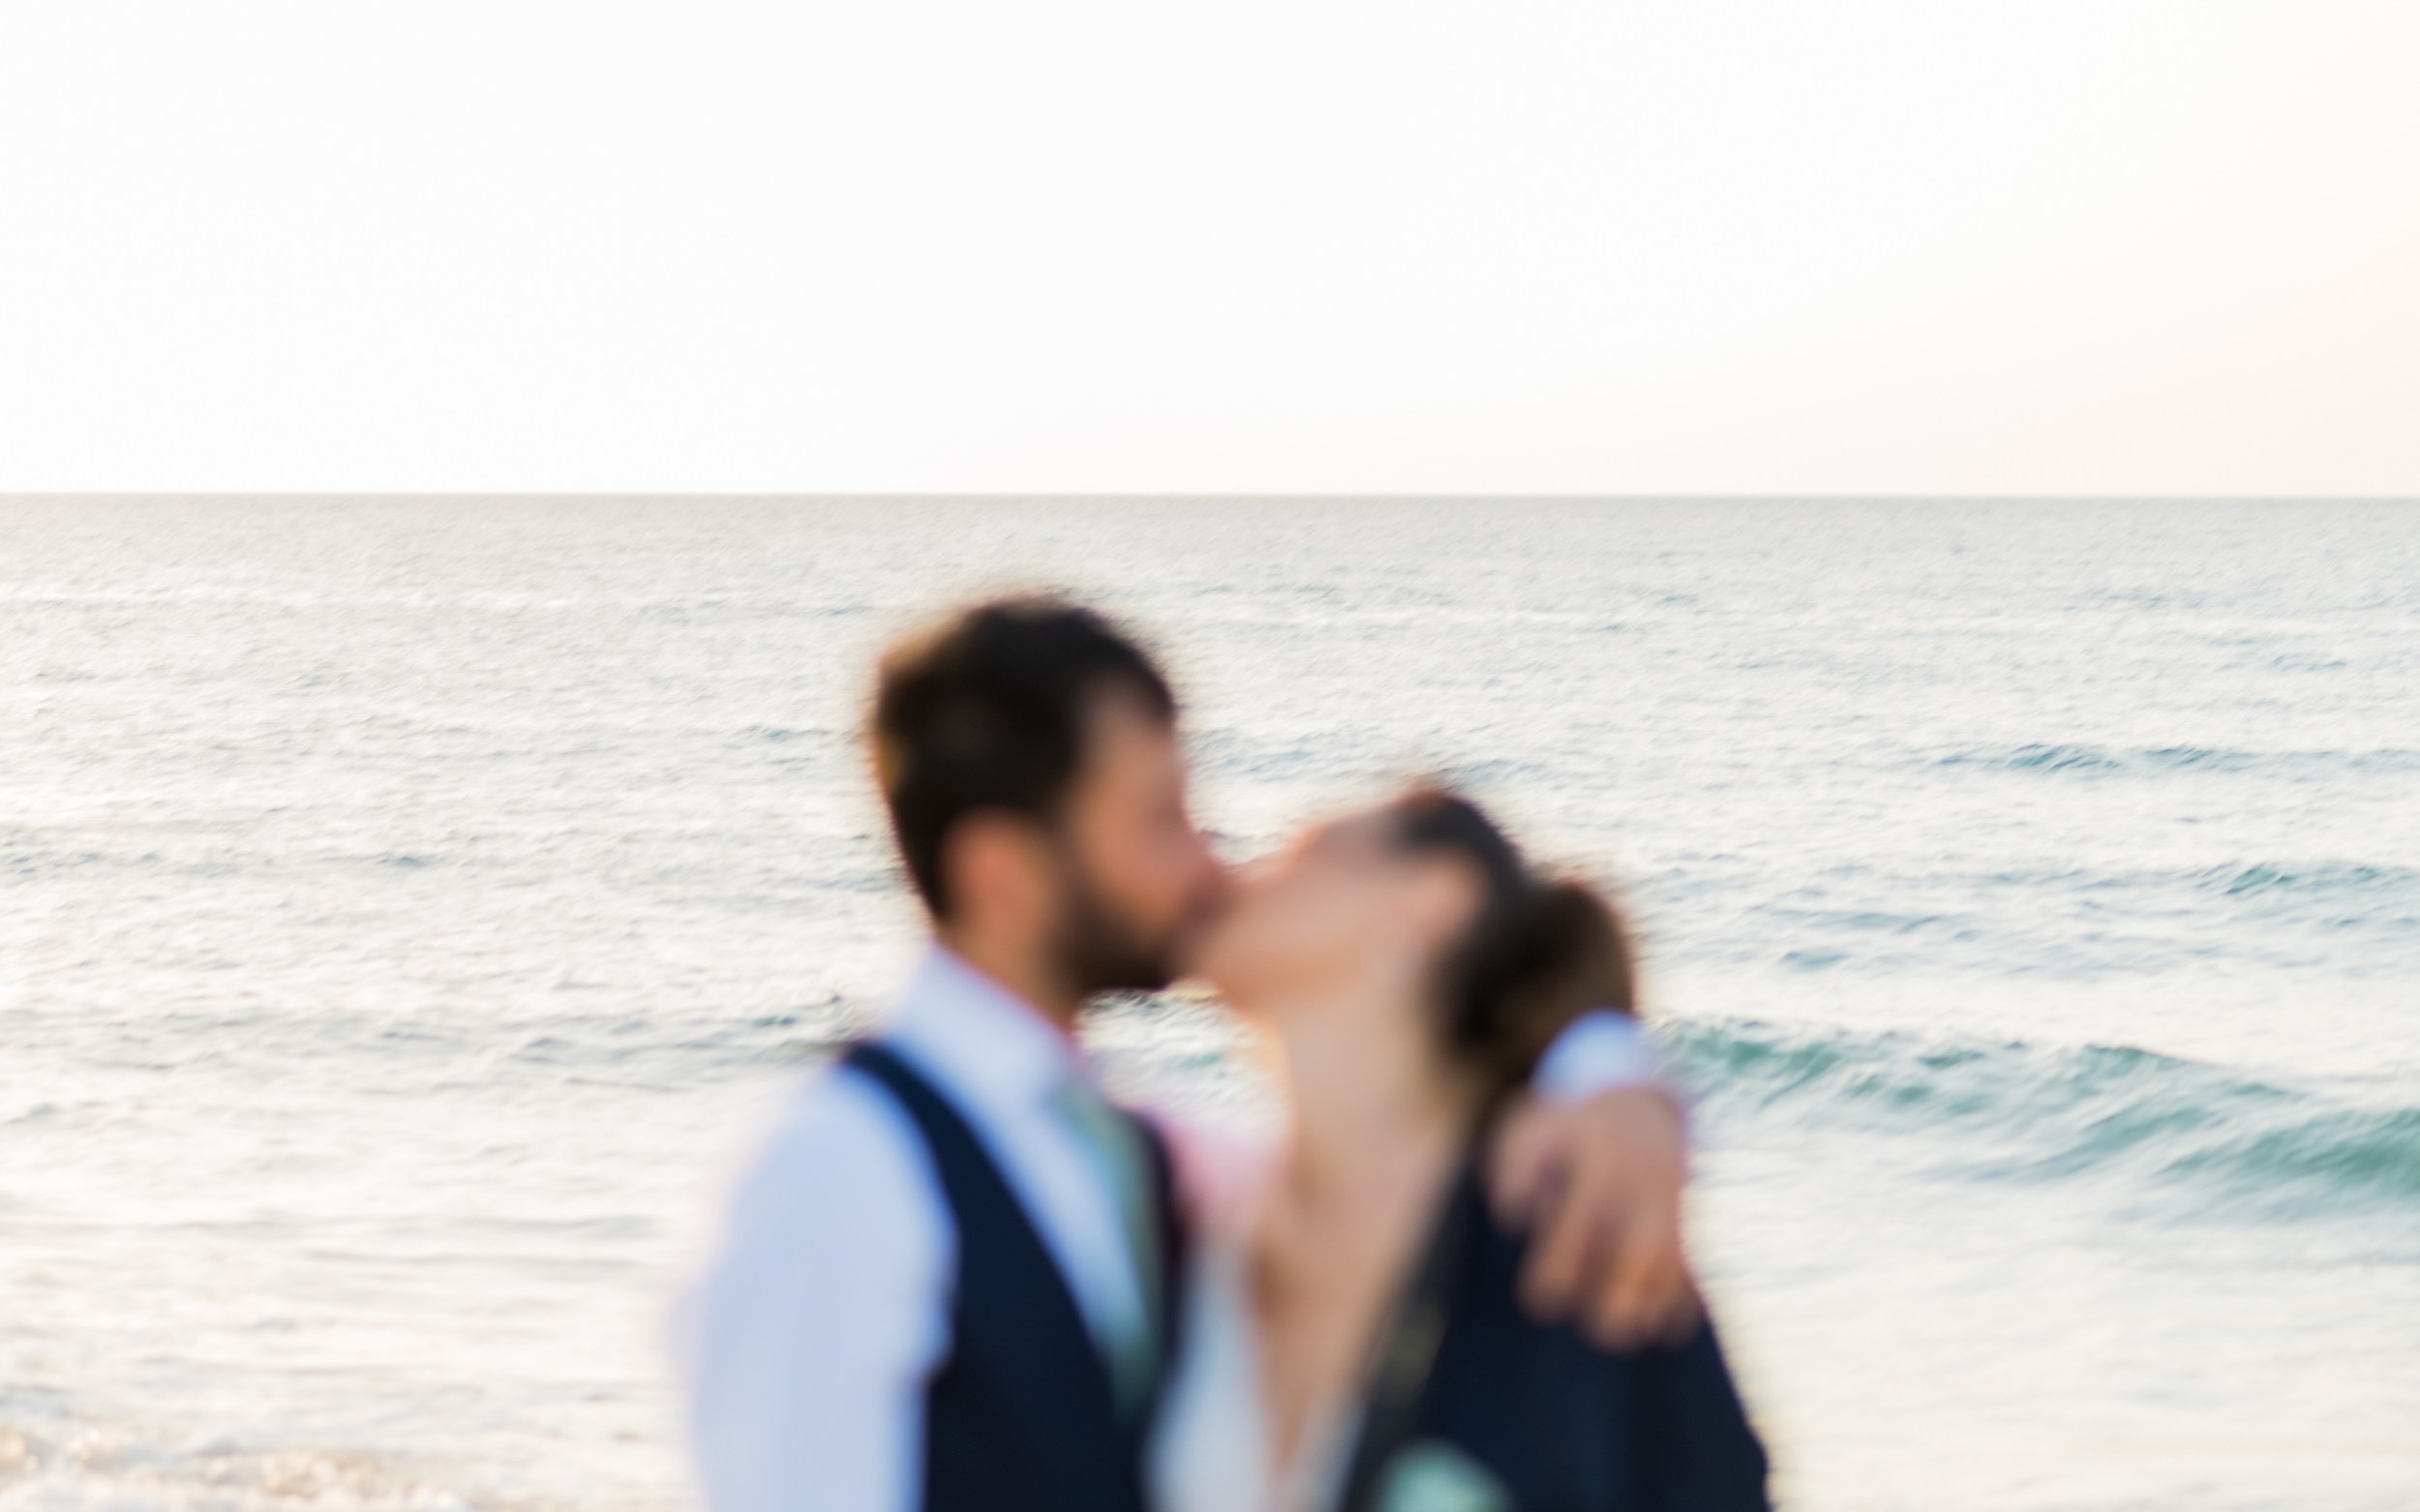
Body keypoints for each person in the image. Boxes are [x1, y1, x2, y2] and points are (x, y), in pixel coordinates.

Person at [680, 596, 1698, 1512]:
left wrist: (1601, 1068)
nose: (1210, 863)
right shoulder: (839, 1170)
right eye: (1159, 818)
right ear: (1006, 874)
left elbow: (1388, 1181)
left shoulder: (1162, 1174)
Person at [1155, 788, 1769, 1512]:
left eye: (1304, 853)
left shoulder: (1564, 1252)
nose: (1242, 876)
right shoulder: (1184, 1231)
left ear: (1428, 905)